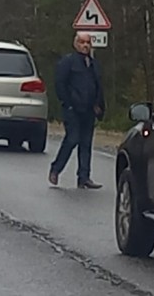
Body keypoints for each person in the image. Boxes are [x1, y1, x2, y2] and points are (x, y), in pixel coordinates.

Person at [49, 32, 106, 189]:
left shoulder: (93, 64)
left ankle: (84, 177)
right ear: (75, 43)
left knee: (86, 144)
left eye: (88, 42)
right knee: (72, 139)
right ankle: (56, 169)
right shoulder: (68, 62)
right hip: (73, 109)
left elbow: (98, 86)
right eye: (82, 42)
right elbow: (60, 83)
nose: (85, 45)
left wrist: (99, 105)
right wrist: (68, 103)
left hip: (89, 110)